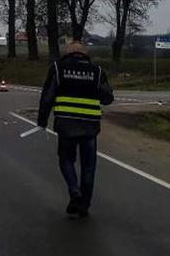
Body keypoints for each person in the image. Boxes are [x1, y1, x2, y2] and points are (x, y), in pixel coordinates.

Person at [37, 41, 114, 217]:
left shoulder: (58, 68)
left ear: (67, 53)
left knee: (66, 160)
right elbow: (107, 98)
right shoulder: (98, 72)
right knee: (88, 167)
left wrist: (42, 121)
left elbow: (47, 97)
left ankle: (74, 190)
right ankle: (84, 205)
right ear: (86, 54)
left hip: (66, 124)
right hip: (90, 127)